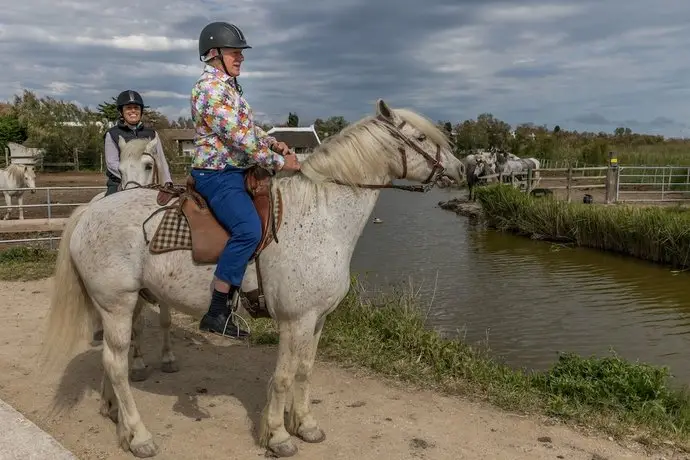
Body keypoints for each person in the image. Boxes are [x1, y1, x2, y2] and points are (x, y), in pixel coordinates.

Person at [190, 21, 301, 339]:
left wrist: (271, 141)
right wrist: (280, 163)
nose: (241, 58)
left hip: (236, 170)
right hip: (217, 176)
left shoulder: (229, 88)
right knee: (248, 229)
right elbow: (237, 137)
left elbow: (249, 130)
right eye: (234, 52)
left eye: (241, 53)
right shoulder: (209, 90)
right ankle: (217, 310)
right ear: (214, 54)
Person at [104, 90, 173, 195]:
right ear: (121, 112)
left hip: (150, 182)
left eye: (136, 108)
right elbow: (111, 163)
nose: (133, 111)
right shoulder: (112, 134)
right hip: (120, 182)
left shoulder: (152, 134)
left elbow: (161, 161)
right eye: (128, 108)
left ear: (141, 111)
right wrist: (131, 178)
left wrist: (167, 181)